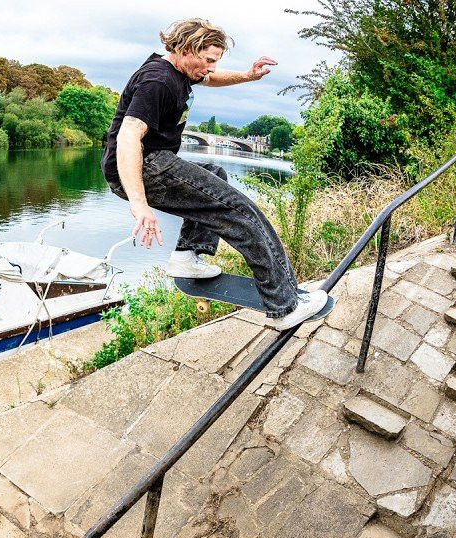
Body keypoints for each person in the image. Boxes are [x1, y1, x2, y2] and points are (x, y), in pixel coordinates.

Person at [103, 18, 329, 330]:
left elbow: (211, 79)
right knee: (242, 213)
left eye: (215, 62)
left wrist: (248, 76)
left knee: (216, 174)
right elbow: (128, 136)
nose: (210, 69)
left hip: (154, 162)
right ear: (185, 49)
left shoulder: (180, 70)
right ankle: (284, 306)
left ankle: (186, 255)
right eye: (208, 60)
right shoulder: (158, 81)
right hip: (143, 166)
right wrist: (138, 203)